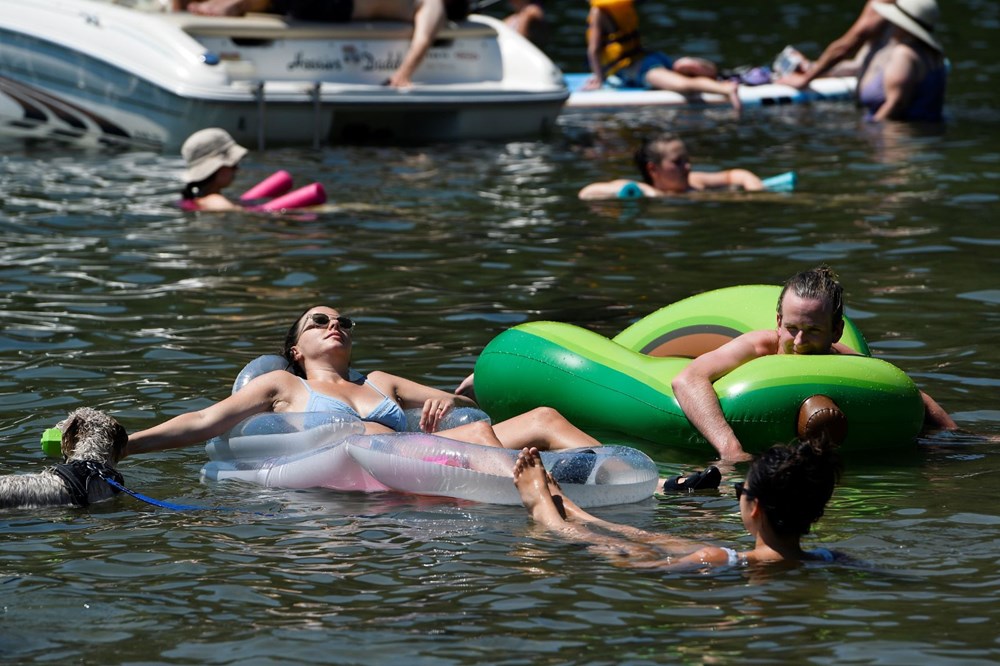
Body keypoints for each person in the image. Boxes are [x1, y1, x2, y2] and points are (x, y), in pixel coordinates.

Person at [126, 306, 603, 456]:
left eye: (342, 321)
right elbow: (206, 420)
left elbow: (450, 404)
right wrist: (126, 443)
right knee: (480, 435)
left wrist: (444, 407)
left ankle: (650, 481)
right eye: (319, 321)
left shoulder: (380, 381)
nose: (335, 325)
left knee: (542, 418)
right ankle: (551, 504)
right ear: (296, 349)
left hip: (428, 451)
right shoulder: (283, 385)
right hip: (367, 467)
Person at [671, 266, 957, 462]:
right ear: (779, 322)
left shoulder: (838, 356)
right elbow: (687, 379)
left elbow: (906, 392)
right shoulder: (757, 347)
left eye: (813, 331)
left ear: (836, 331)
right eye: (792, 328)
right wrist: (730, 448)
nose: (798, 342)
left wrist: (954, 436)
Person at [513, 436, 845, 569]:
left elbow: (641, 568)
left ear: (754, 508)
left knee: (638, 553)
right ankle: (576, 511)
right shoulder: (829, 558)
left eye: (740, 492)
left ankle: (549, 516)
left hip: (724, 566)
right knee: (655, 541)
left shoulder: (716, 558)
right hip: (750, 564)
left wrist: (552, 513)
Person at [173, 0, 469, 88]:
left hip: (341, 10)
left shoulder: (433, 4)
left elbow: (424, 39)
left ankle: (232, 3)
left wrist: (403, 74)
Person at [583, 0, 741, 112]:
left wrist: (599, 78)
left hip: (638, 69)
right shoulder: (623, 4)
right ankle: (693, 68)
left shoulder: (598, 11)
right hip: (652, 57)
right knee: (676, 72)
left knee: (683, 85)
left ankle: (725, 89)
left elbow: (594, 48)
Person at [578, 133, 765, 200]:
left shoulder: (695, 182)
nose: (687, 166)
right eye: (678, 162)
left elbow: (736, 175)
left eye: (686, 159)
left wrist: (755, 191)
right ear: (653, 169)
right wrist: (649, 193)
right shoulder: (643, 190)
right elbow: (587, 192)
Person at [856, 0, 946, 121]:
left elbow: (896, 104)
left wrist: (871, 126)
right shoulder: (934, 55)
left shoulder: (904, 53)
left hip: (896, 135)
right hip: (928, 131)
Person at [777, 0, 895, 90]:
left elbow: (846, 46)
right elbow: (859, 65)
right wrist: (813, 68)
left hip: (895, 87)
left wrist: (806, 79)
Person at [180, 128, 248, 211]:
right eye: (233, 164)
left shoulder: (194, 199)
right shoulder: (217, 202)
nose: (237, 169)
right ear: (219, 168)